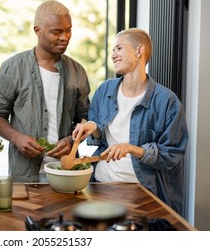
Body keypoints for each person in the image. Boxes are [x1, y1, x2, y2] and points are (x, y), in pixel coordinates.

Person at [72, 28, 189, 214]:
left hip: (143, 193)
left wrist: (131, 148)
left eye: (118, 48)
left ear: (139, 51)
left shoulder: (167, 101)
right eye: (112, 50)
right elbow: (100, 136)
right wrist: (92, 127)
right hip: (101, 185)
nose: (113, 55)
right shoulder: (105, 90)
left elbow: (171, 154)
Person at [0, 0, 91, 183]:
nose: (65, 37)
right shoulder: (13, 68)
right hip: (24, 174)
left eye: (68, 30)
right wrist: (16, 138)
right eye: (56, 32)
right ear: (37, 31)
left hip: (65, 171)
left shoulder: (78, 72)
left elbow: (83, 120)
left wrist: (71, 140)